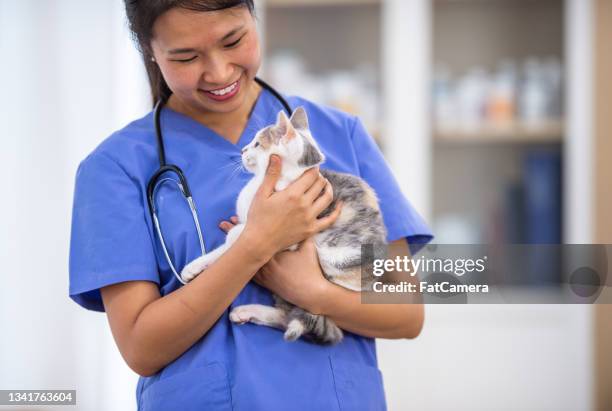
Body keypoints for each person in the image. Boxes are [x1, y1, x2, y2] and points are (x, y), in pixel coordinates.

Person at [68, 1, 433, 410]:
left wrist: (311, 291)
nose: (219, 72)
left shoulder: (338, 134)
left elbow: (406, 311)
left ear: (254, 18)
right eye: (186, 56)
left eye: (234, 40)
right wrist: (255, 245)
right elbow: (141, 347)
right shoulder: (116, 167)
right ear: (150, 51)